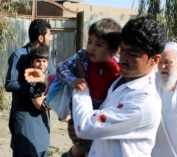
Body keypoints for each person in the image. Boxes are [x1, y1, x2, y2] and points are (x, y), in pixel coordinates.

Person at [24, 16, 168, 157]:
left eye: (133, 54)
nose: (123, 59)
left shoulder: (143, 103)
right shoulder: (121, 80)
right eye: (122, 50)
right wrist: (46, 79)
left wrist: (81, 83)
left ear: (154, 60)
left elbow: (84, 126)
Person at [56, 18, 121, 157]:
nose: (91, 47)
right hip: (82, 113)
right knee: (82, 143)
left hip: (103, 116)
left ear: (113, 51)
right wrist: (73, 80)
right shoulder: (82, 57)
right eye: (89, 41)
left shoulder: (118, 67)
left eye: (98, 44)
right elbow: (62, 67)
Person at [5, 19, 53, 157]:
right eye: (49, 35)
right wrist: (30, 87)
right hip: (25, 118)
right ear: (40, 37)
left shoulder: (45, 56)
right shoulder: (19, 55)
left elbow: (52, 80)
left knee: (41, 151)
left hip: (42, 116)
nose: (50, 38)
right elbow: (9, 84)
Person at [29, 46, 51, 111]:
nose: (41, 64)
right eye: (38, 61)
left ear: (48, 62)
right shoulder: (33, 80)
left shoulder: (47, 73)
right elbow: (41, 105)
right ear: (32, 62)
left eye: (44, 61)